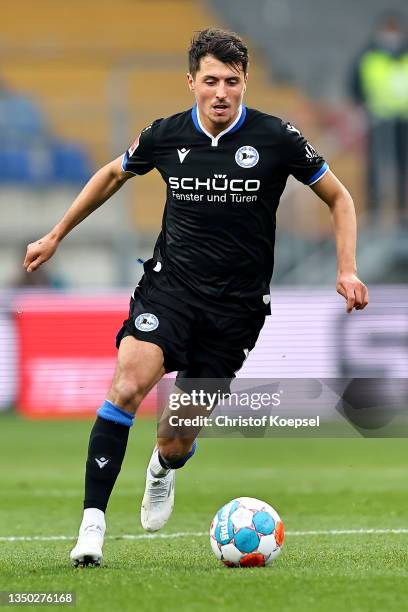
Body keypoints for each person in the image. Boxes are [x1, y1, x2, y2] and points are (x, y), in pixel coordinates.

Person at [23, 28, 368, 567]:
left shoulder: (277, 139)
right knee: (129, 383)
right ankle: (92, 526)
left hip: (236, 310)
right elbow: (114, 173)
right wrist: (55, 235)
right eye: (210, 81)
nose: (222, 92)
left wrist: (347, 269)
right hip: (171, 289)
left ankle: (162, 469)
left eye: (232, 81)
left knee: (175, 439)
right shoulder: (165, 134)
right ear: (191, 82)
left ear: (245, 82)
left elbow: (339, 196)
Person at [350, 12, 408, 223]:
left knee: (403, 166)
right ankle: (374, 210)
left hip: (403, 120)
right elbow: (355, 84)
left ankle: (402, 211)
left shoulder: (405, 57)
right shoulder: (368, 56)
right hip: (377, 120)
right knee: (374, 166)